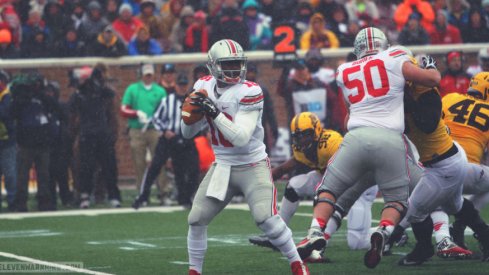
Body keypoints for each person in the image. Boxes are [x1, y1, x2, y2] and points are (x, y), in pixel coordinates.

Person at [296, 27, 441, 269]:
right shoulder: (394, 56)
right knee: (396, 199)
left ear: (357, 49)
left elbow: (348, 116)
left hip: (355, 138)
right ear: (383, 43)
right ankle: (384, 231)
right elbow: (432, 80)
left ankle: (314, 232)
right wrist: (430, 65)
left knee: (328, 190)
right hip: (390, 139)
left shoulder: (345, 70)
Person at [182, 39, 309, 275]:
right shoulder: (203, 85)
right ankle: (194, 271)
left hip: (252, 164)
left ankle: (297, 263)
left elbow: (240, 137)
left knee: (266, 219)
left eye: (237, 64)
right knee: (196, 218)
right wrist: (190, 114)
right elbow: (187, 132)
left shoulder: (251, 90)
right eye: (227, 64)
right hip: (222, 165)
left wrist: (213, 111)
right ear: (213, 66)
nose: (234, 69)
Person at [133, 73, 199, 209]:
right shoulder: (167, 100)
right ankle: (142, 196)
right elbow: (156, 118)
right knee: (155, 166)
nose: (182, 87)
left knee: (192, 169)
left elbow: (200, 121)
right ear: (176, 86)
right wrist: (165, 130)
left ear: (187, 86)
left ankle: (185, 198)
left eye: (184, 85)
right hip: (168, 139)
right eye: (180, 85)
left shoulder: (194, 102)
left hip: (186, 139)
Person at [441, 72, 489, 251]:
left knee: (423, 206)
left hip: (437, 168)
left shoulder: (450, 98)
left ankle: (392, 234)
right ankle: (462, 225)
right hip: (469, 172)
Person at [70, 64, 121, 209]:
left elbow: (110, 97)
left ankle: (113, 194)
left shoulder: (103, 92)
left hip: (102, 133)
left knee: (109, 166)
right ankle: (85, 194)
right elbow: (72, 110)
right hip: (87, 133)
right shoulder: (80, 94)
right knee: (86, 166)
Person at [120, 64, 170, 204]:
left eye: (150, 74)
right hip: (137, 130)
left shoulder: (160, 91)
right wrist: (136, 113)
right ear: (141, 75)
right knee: (139, 163)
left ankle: (163, 193)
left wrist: (157, 119)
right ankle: (143, 194)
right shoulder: (132, 89)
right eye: (146, 74)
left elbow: (165, 110)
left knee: (159, 161)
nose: (148, 77)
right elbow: (123, 109)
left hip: (155, 129)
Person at [11, 73, 61, 212]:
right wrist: (24, 95)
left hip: (42, 143)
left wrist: (39, 93)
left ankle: (44, 202)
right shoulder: (21, 99)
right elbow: (12, 112)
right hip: (25, 143)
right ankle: (21, 202)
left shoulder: (43, 98)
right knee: (22, 175)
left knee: (44, 174)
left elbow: (55, 107)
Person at [0, 70, 16, 211]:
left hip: (7, 141)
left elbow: (4, 113)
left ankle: (12, 201)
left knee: (10, 173)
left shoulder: (8, 97)